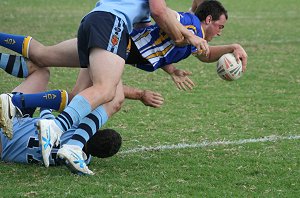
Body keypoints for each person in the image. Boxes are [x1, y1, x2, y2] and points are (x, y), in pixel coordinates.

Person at [0, 0, 247, 175]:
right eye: (220, 27)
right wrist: (188, 36)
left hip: (100, 24)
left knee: (49, 63)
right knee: (107, 91)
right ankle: (48, 122)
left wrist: (223, 48)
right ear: (209, 19)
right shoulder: (190, 25)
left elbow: (192, 48)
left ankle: (71, 144)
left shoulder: (191, 30)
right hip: (113, 31)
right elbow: (161, 13)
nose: (220, 32)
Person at [0, 67, 122, 174]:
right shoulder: (84, 159)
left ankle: (13, 101)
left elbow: (46, 118)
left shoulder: (76, 127)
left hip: (7, 126)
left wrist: (46, 102)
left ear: (97, 131)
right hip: (3, 152)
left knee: (41, 71)